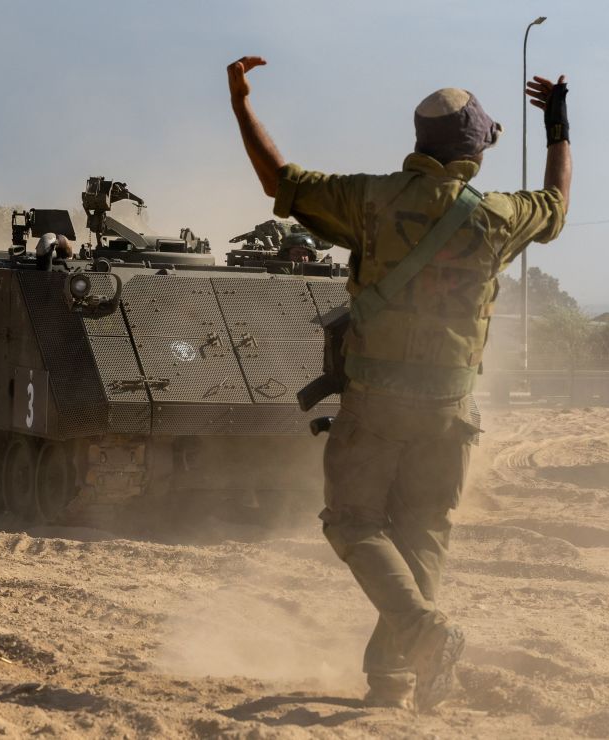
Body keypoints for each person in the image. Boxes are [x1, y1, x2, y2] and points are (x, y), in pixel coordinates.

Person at [227, 55, 571, 712]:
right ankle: (394, 676)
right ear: (475, 152)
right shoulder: (499, 215)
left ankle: (420, 633)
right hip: (450, 406)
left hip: (377, 399)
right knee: (423, 530)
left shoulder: (370, 198)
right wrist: (558, 129)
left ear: (420, 145)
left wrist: (242, 103)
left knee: (354, 522)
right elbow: (556, 204)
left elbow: (280, 179)